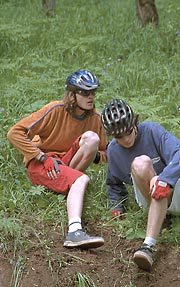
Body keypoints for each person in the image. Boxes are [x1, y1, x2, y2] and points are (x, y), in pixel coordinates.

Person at [7, 69, 108, 249]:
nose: (90, 96)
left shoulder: (96, 118)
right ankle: (74, 232)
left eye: (93, 92)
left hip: (66, 162)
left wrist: (97, 156)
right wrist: (41, 156)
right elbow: (15, 133)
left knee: (92, 138)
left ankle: (70, 182)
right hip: (43, 164)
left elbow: (108, 152)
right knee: (82, 178)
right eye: (85, 92)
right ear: (72, 94)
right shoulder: (55, 109)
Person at [101, 99, 180, 271]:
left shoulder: (151, 130)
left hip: (179, 194)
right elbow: (114, 184)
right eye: (118, 136)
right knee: (139, 164)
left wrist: (164, 180)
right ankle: (157, 223)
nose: (126, 139)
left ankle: (148, 246)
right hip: (147, 199)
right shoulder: (113, 150)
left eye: (128, 131)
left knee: (143, 163)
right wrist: (117, 207)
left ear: (134, 123)